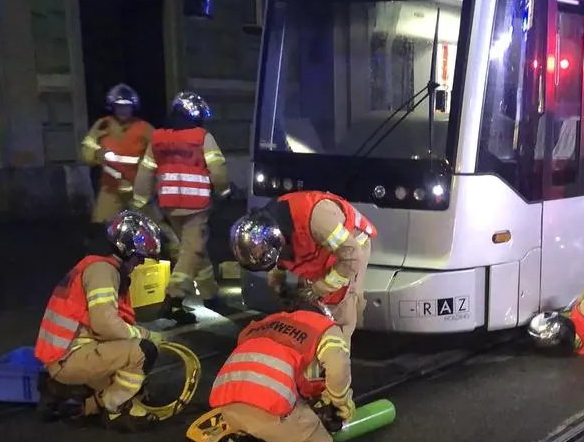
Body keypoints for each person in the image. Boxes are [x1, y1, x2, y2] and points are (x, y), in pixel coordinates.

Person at [187, 293, 354, 442]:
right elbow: (338, 369)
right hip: (267, 410)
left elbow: (270, 367)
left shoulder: (264, 324)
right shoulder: (324, 328)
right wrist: (341, 404)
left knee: (256, 423)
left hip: (227, 406)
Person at [35, 210, 163, 432]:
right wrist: (143, 335)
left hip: (66, 353)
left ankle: (74, 398)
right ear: (126, 250)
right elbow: (104, 324)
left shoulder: (97, 266)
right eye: (139, 256)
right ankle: (112, 408)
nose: (141, 262)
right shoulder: (103, 272)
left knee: (137, 378)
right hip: (70, 356)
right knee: (144, 352)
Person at [131, 91, 230, 325]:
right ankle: (173, 301)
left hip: (169, 205)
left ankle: (209, 294)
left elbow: (145, 172)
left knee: (194, 248)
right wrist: (224, 191)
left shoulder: (157, 138)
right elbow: (217, 170)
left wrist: (140, 201)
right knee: (190, 252)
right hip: (196, 206)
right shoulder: (202, 137)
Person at [230, 191, 376, 342]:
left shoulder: (319, 218)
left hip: (349, 247)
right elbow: (278, 259)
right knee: (309, 312)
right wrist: (277, 281)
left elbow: (352, 256)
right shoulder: (269, 229)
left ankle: (337, 353)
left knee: (337, 317)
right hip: (317, 247)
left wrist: (320, 288)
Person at [79, 84, 154, 229]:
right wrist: (96, 152)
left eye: (127, 106)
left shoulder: (144, 128)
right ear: (112, 106)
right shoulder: (103, 125)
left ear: (133, 107)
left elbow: (159, 153)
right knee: (100, 227)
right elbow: (87, 155)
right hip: (110, 189)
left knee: (153, 227)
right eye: (119, 106)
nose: (123, 110)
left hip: (138, 190)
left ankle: (169, 250)